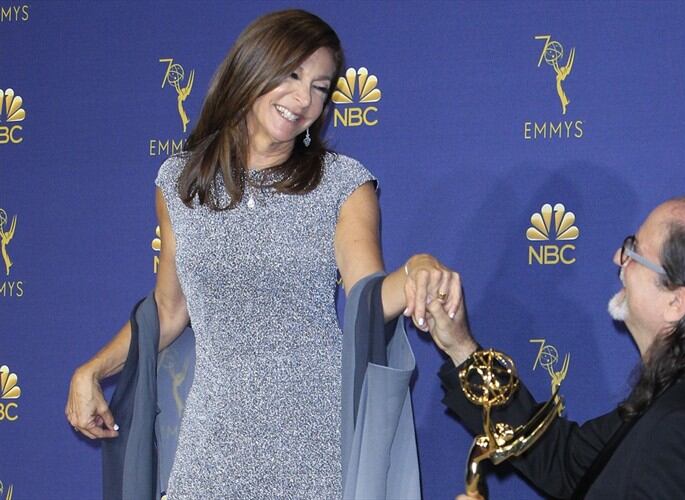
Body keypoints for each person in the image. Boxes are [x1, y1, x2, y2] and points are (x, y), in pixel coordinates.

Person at [65, 9, 460, 498]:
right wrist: (92, 370)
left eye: (320, 87)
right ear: (251, 69)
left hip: (314, 444)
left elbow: (368, 299)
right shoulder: (179, 182)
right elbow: (169, 309)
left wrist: (418, 269)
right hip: (211, 446)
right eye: (292, 75)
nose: (303, 99)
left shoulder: (342, 183)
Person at [424, 195, 685, 499]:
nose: (618, 259)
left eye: (634, 251)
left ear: (676, 302)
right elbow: (567, 462)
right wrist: (461, 348)